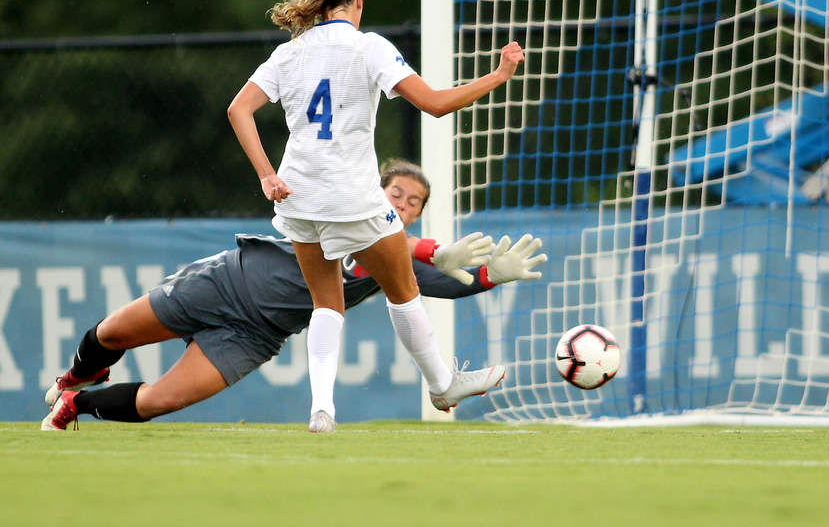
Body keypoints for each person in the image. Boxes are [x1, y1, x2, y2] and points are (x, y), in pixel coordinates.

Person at [225, 0, 524, 427]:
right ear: (359, 1)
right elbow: (436, 105)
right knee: (403, 289)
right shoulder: (369, 48)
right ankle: (442, 385)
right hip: (352, 196)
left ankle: (321, 407)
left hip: (297, 196)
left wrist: (266, 175)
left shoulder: (291, 52)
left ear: (319, 3)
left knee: (327, 301)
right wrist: (498, 76)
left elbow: (238, 110)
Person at [42, 159, 547, 430]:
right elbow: (408, 252)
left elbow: (434, 282)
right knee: (111, 332)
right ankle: (75, 375)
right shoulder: (345, 206)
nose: (404, 204)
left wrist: (490, 276)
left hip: (254, 335)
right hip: (227, 282)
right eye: (396, 193)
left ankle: (76, 404)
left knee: (160, 401)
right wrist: (433, 250)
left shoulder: (396, 254)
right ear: (376, 189)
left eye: (414, 202)